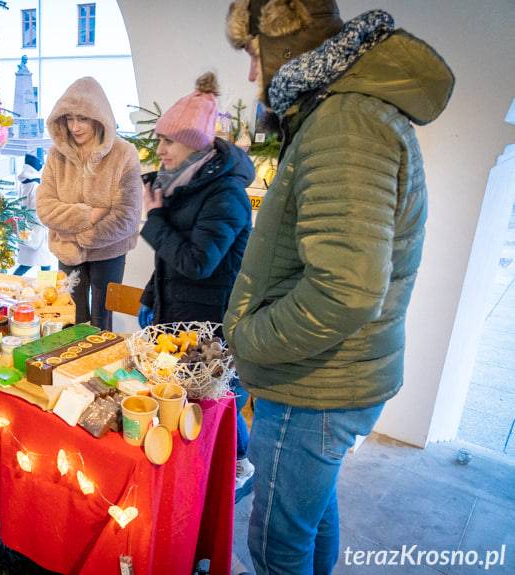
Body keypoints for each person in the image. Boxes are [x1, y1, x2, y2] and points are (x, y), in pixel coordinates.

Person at [223, 1, 454, 573]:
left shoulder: (344, 122)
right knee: (310, 516)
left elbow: (346, 290)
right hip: (329, 376)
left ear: (281, 48)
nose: (252, 74)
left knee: (279, 544)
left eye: (254, 56)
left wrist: (248, 338)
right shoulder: (345, 113)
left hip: (316, 385)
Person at [135, 72, 256, 501]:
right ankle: (197, 467)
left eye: (168, 141)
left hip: (212, 325)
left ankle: (239, 465)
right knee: (189, 401)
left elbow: (198, 263)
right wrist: (152, 298)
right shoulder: (184, 186)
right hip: (177, 315)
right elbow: (173, 258)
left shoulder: (226, 196)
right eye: (160, 140)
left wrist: (154, 220)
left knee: (218, 403)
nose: (160, 150)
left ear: (195, 146)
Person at [37, 77, 142, 330]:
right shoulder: (56, 154)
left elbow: (127, 216)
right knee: (70, 319)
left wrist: (84, 236)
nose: (75, 127)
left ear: (98, 117)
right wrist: (91, 215)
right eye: (69, 118)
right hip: (67, 251)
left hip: (110, 251)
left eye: (82, 118)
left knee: (102, 323)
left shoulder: (124, 154)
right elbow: (45, 207)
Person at [14, 153, 52, 276]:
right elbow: (37, 208)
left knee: (31, 261)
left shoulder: (23, 184)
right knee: (43, 260)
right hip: (37, 226)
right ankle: (46, 287)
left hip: (27, 225)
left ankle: (15, 279)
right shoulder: (35, 186)